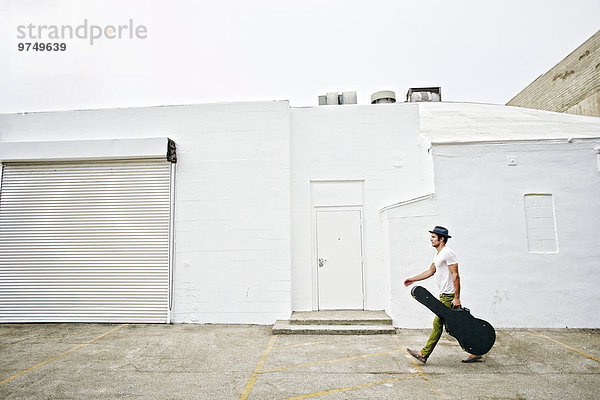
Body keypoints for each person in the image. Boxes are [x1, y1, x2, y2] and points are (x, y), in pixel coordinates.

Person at [404, 226, 482, 364]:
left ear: (442, 239)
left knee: (438, 323)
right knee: (460, 325)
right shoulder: (439, 254)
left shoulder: (448, 253)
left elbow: (456, 275)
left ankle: (423, 353)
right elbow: (430, 271)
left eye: (433, 237)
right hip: (444, 295)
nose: (431, 239)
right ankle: (477, 351)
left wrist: (456, 297)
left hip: (449, 296)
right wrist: (413, 279)